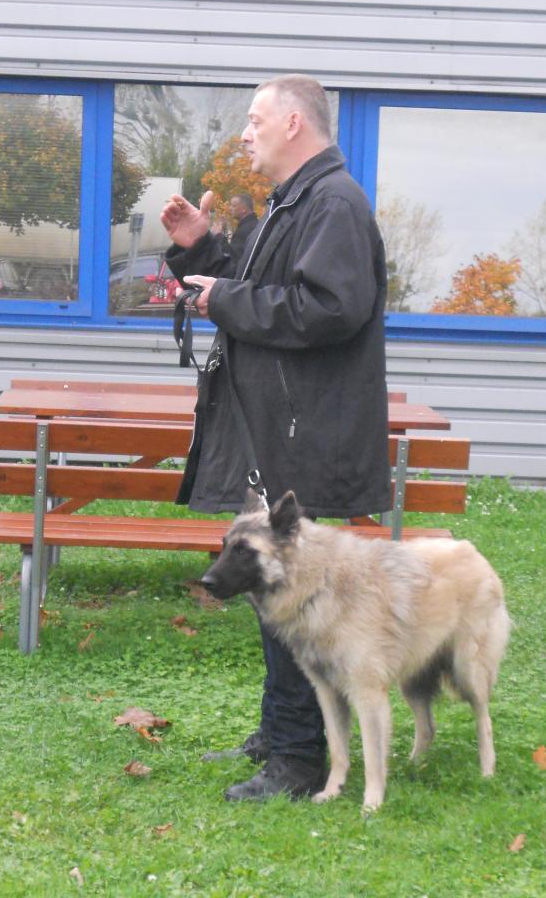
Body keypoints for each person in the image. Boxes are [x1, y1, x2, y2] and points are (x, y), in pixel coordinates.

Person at [160, 74, 391, 802]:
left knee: (296, 599)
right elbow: (258, 288)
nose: (246, 133)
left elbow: (327, 308)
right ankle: (282, 736)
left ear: (294, 123)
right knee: (277, 595)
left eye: (256, 119)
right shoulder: (292, 204)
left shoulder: (335, 204)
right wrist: (203, 252)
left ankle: (298, 761)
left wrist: (224, 296)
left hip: (310, 438)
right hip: (284, 435)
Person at [227, 193, 259, 260]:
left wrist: (219, 237)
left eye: (233, 206)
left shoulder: (242, 232)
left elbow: (233, 259)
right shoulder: (258, 224)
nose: (230, 208)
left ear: (243, 209)